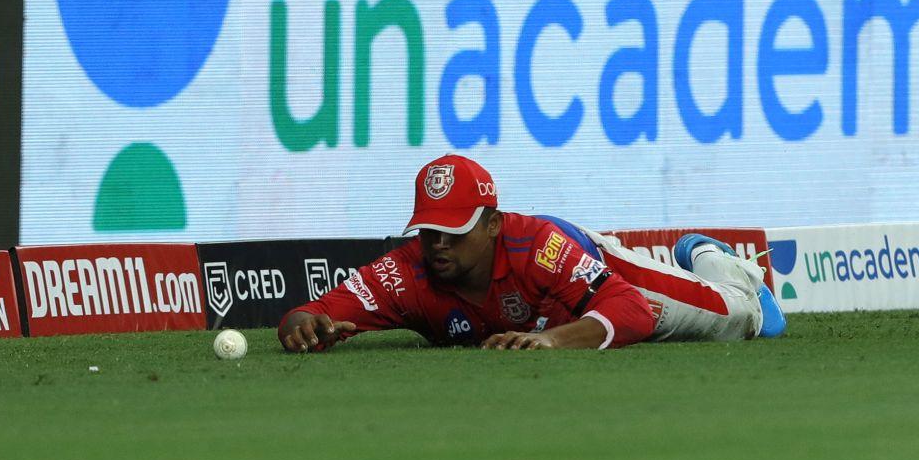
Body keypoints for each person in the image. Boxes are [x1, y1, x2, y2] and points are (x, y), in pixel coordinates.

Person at [278, 154, 786, 351]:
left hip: (590, 260)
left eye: (455, 229)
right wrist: (300, 327)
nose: (438, 243)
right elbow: (312, 313)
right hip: (560, 302)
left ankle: (707, 257)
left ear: (493, 223)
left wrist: (554, 342)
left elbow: (630, 310)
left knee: (742, 315)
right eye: (429, 229)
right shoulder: (406, 271)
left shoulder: (538, 247)